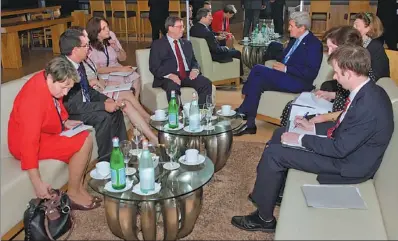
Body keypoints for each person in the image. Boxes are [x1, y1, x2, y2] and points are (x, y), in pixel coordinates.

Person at [231, 44, 394, 233]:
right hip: (347, 150)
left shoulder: (368, 105)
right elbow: (346, 127)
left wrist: (300, 140)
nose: (334, 77)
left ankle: (264, 218)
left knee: (275, 154)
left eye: (337, 73)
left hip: (348, 164)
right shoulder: (366, 91)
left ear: (350, 73)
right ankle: (272, 191)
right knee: (280, 133)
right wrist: (312, 127)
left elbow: (339, 148)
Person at [8, 56, 101, 210]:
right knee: (84, 140)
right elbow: (28, 143)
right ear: (51, 78)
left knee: (85, 135)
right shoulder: (32, 100)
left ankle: (78, 188)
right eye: (64, 87)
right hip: (23, 143)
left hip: (43, 132)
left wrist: (64, 121)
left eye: (68, 88)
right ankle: (73, 194)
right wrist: (37, 183)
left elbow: (55, 104)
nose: (65, 93)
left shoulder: (48, 80)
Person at [234, 11, 323, 136]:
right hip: (286, 77)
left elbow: (310, 72)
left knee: (258, 69)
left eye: (291, 26)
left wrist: (286, 69)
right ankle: (250, 124)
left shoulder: (314, 44)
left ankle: (243, 108)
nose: (288, 28)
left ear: (302, 28)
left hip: (299, 82)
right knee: (257, 80)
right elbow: (284, 58)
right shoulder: (294, 40)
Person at [280, 25, 387, 127]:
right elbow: (350, 95)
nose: (329, 52)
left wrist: (323, 117)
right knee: (293, 105)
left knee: (294, 109)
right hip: (337, 111)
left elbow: (353, 111)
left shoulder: (355, 72)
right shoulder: (349, 67)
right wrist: (330, 94)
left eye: (332, 48)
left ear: (345, 49)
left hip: (340, 119)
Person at [70, 26, 159, 144]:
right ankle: (147, 120)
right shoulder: (73, 65)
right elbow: (83, 88)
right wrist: (95, 83)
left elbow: (96, 72)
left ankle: (151, 137)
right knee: (125, 96)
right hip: (94, 94)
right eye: (85, 43)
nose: (88, 45)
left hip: (99, 87)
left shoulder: (85, 58)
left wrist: (101, 81)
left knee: (127, 99)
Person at [60, 28, 128, 160]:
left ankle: (123, 153)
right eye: (85, 46)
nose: (89, 49)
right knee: (104, 116)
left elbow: (88, 90)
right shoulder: (63, 69)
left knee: (116, 110)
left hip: (84, 105)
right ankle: (106, 162)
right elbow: (73, 106)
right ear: (75, 50)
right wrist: (103, 106)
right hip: (72, 112)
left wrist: (107, 100)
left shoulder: (78, 64)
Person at [149, 16, 212, 105]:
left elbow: (194, 61)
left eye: (183, 26)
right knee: (172, 87)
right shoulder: (158, 44)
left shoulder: (186, 43)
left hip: (187, 75)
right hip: (169, 77)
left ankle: (203, 112)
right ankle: (177, 115)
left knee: (205, 83)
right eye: (180, 27)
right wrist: (170, 75)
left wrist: (195, 70)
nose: (182, 29)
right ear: (170, 28)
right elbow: (154, 67)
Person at [86, 17, 142, 99]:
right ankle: (125, 104)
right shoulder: (90, 46)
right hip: (103, 72)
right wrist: (119, 69)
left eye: (107, 27)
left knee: (136, 77)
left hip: (117, 66)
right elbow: (98, 69)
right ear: (96, 32)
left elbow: (123, 58)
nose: (108, 30)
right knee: (121, 81)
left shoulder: (111, 35)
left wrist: (116, 49)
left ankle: (135, 101)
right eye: (104, 29)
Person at [190, 8, 243, 77]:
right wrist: (226, 48)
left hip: (200, 56)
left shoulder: (193, 29)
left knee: (228, 47)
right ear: (203, 18)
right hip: (213, 55)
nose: (212, 18)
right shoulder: (207, 32)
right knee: (236, 52)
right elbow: (216, 49)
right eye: (210, 16)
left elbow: (206, 38)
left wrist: (216, 37)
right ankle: (239, 77)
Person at [353, 12, 390, 81]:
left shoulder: (376, 47)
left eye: (356, 25)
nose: (353, 28)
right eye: (353, 25)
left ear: (368, 29)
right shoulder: (355, 44)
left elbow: (376, 76)